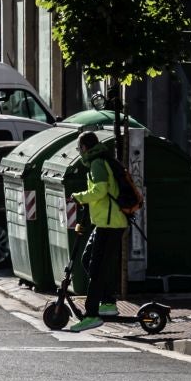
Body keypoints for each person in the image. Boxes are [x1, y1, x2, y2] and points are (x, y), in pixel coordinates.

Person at [69, 130, 129, 331]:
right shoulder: (100, 160)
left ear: (85, 148)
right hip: (105, 222)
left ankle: (92, 314)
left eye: (79, 148)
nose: (79, 152)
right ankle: (108, 302)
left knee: (96, 268)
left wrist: (80, 196)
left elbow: (100, 190)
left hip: (111, 223)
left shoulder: (97, 163)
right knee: (88, 260)